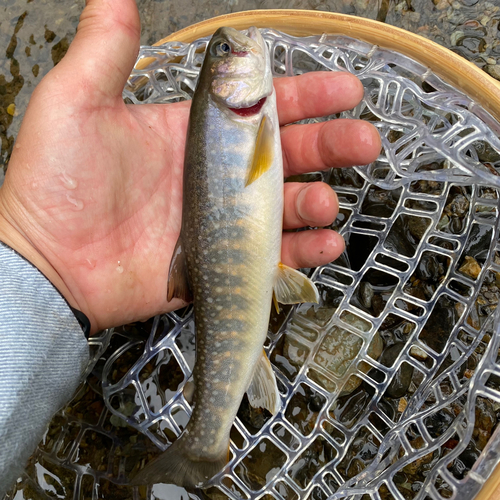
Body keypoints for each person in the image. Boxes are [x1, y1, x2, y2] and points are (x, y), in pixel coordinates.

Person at [0, 0, 381, 494]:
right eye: (225, 52)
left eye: (223, 52)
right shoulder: (246, 113)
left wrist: (37, 264)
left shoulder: (245, 111)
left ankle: (207, 439)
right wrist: (37, 256)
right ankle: (206, 442)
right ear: (220, 88)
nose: (236, 43)